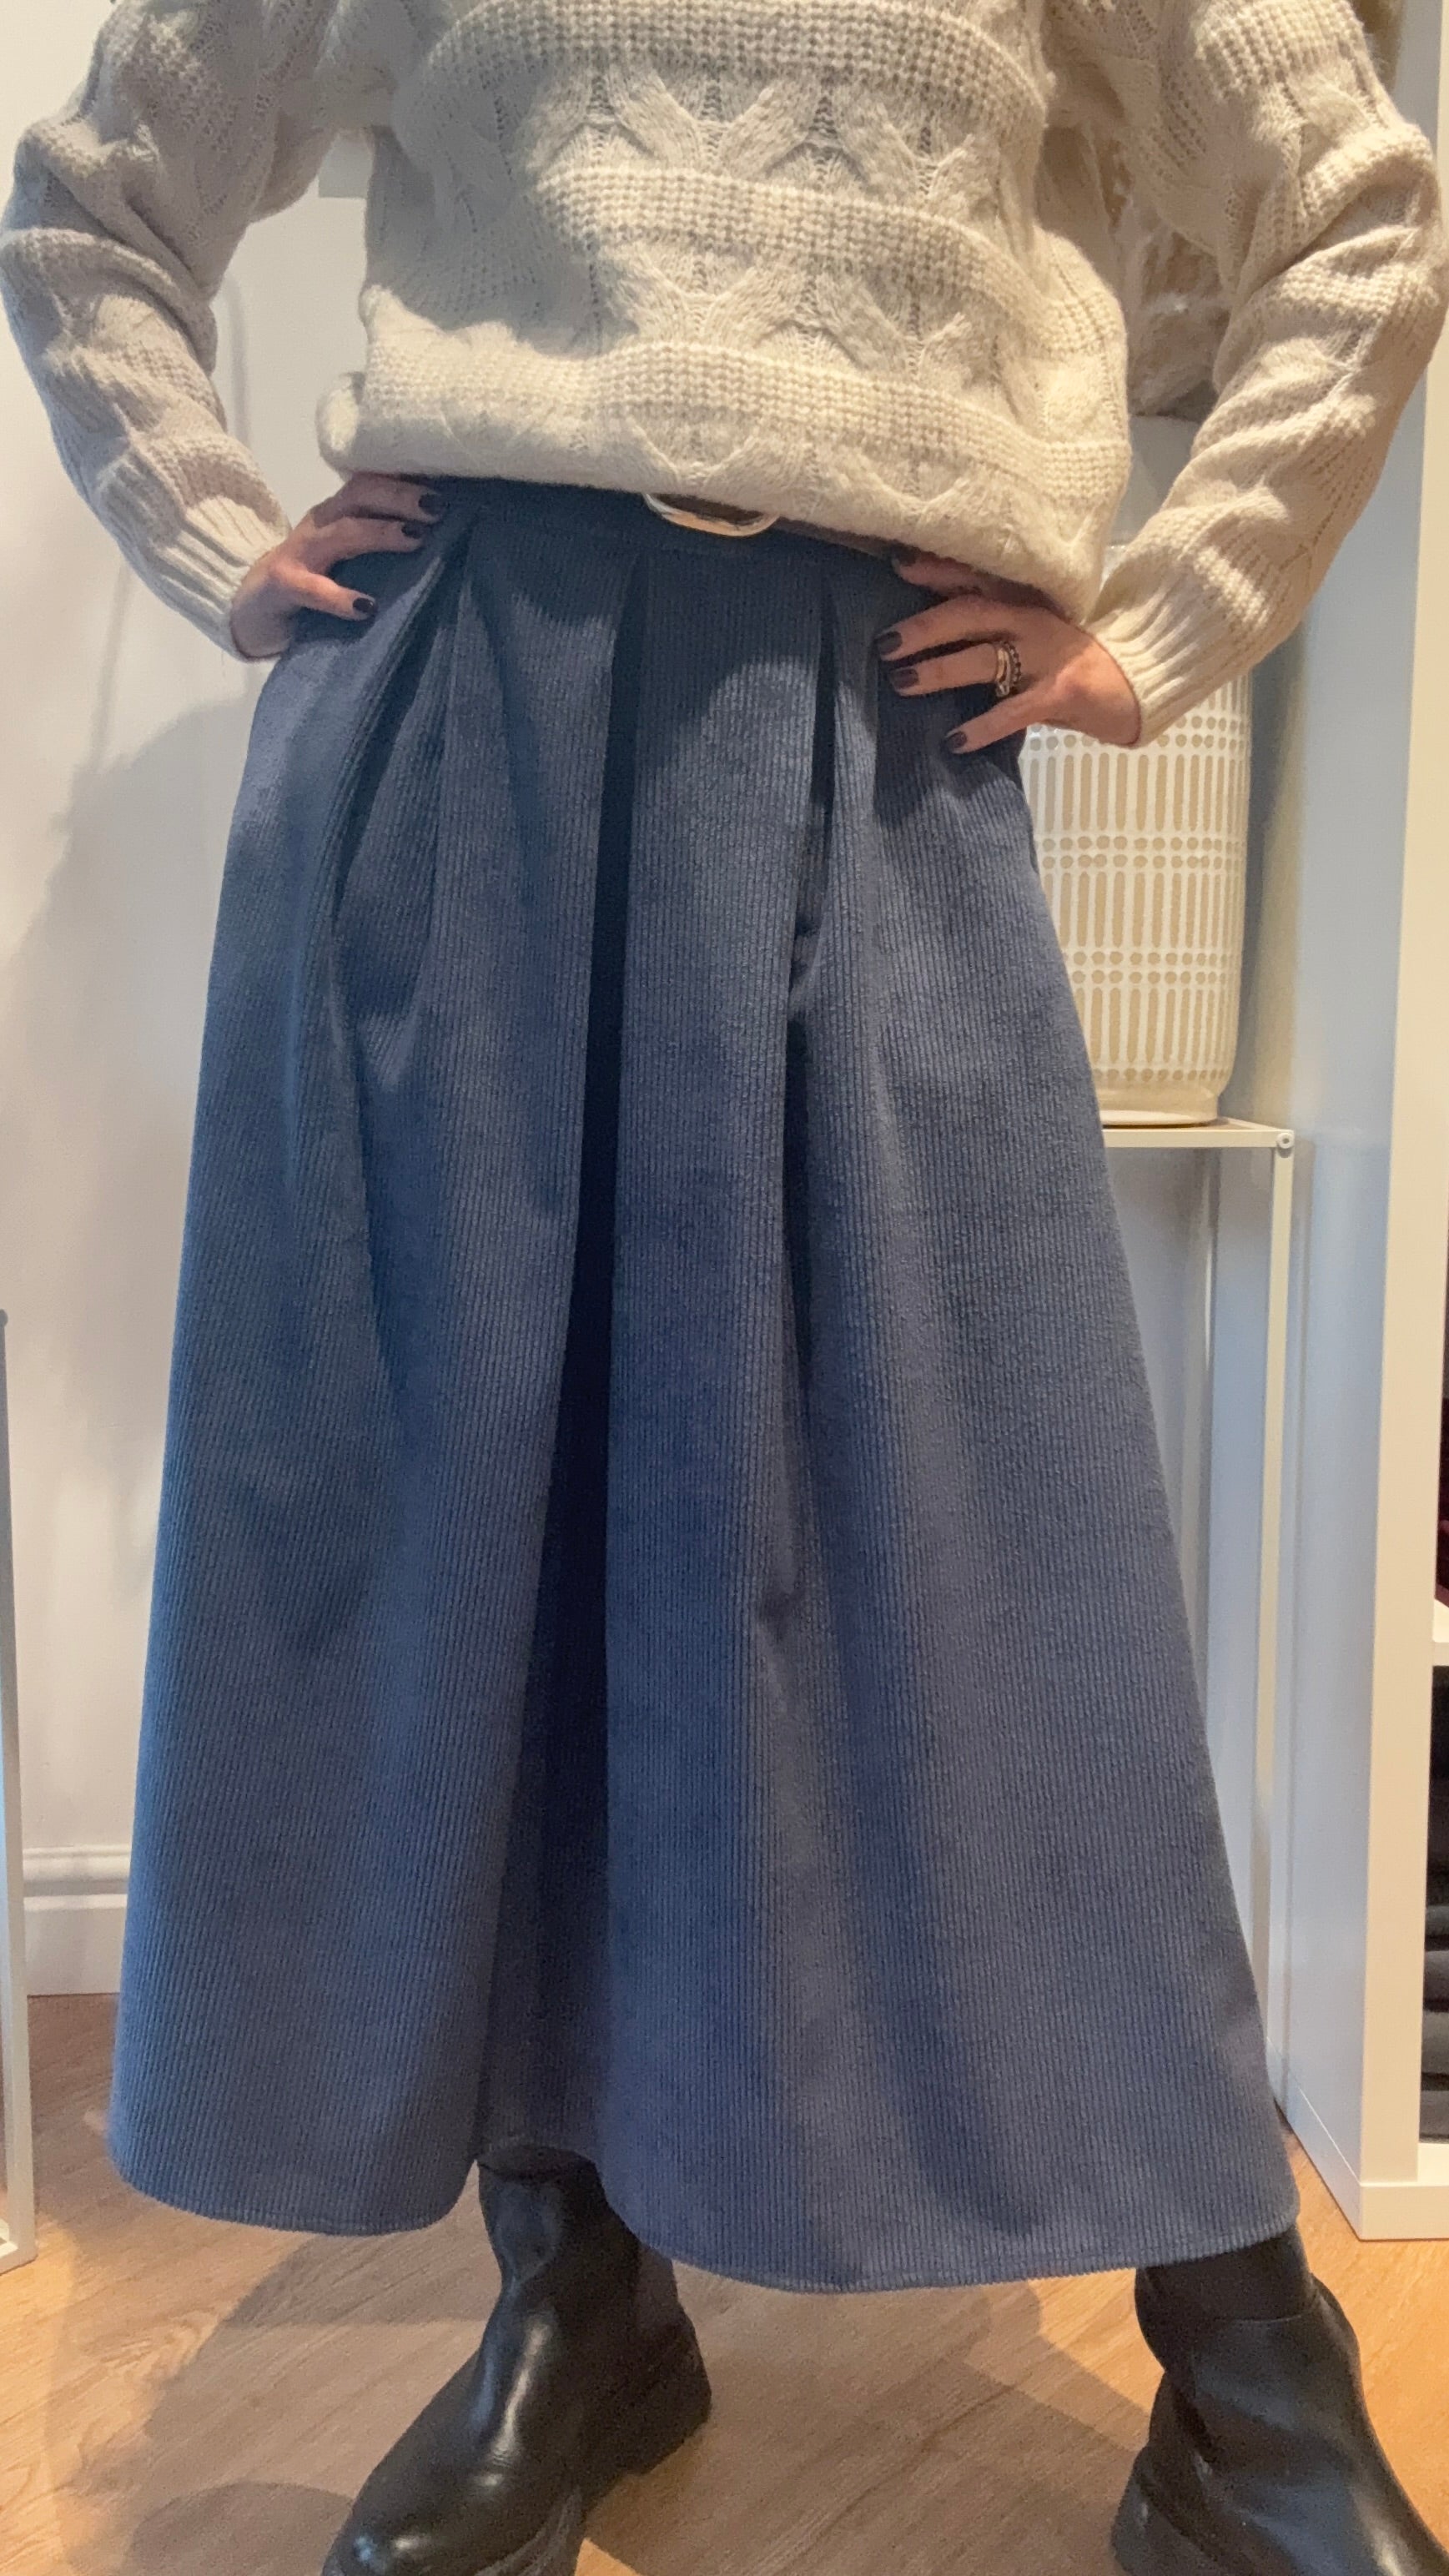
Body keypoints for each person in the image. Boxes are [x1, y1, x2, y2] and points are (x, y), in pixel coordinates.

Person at [4, 3, 1448, 2573]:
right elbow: (96, 198)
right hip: (455, 713)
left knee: (991, 1561)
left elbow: (1356, 210)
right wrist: (214, 525)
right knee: (480, 1524)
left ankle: (1242, 2361)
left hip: (869, 727)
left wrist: (1169, 614)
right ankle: (576, 2300)